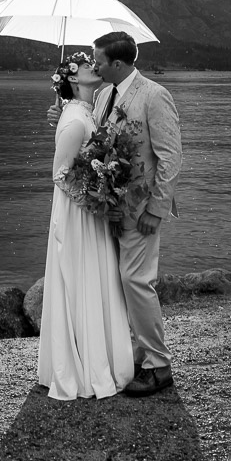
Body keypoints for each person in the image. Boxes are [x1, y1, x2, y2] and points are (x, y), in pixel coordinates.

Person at [36, 51, 136, 400]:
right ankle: (83, 364)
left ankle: (95, 354)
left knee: (91, 278)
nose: (91, 64)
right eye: (81, 63)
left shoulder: (89, 110)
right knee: (81, 278)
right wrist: (94, 200)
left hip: (89, 212)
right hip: (79, 215)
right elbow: (59, 174)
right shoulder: (76, 120)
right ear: (72, 78)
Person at [89, 30, 182, 397]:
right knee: (121, 282)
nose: (94, 67)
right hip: (112, 209)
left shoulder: (154, 96)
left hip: (142, 209)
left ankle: (159, 366)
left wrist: (156, 210)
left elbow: (170, 157)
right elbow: (97, 146)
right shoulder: (102, 96)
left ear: (117, 63)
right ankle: (136, 355)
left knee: (136, 282)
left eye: (98, 61)